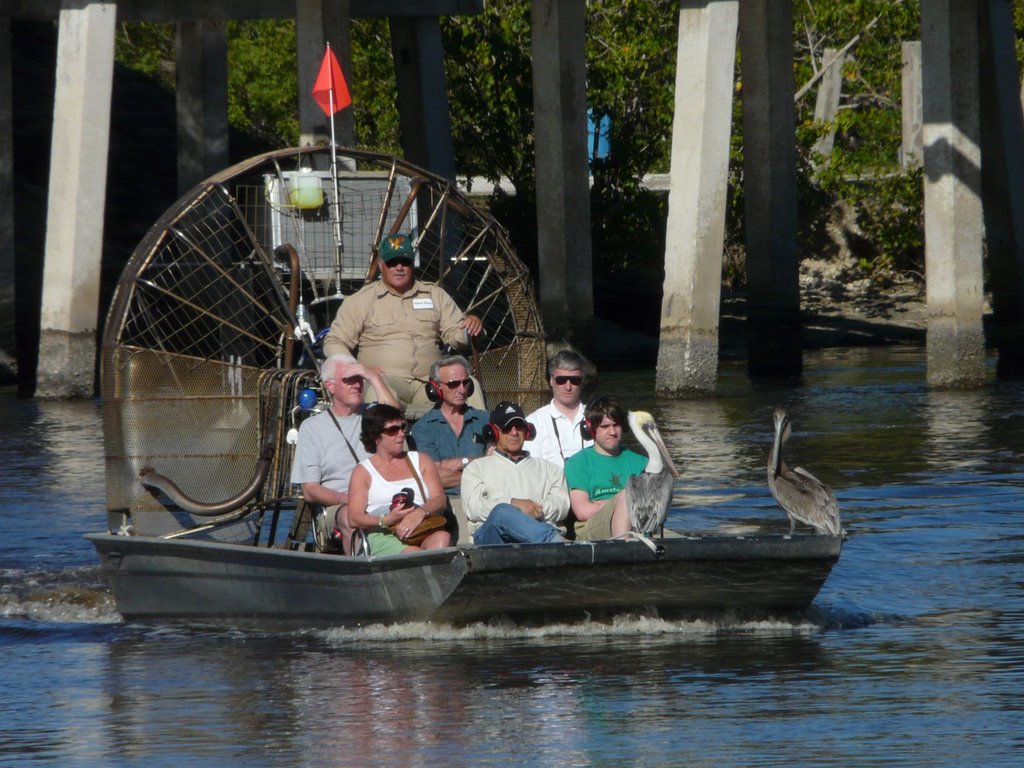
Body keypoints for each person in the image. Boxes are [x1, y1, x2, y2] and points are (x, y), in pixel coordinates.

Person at [321, 232, 485, 418]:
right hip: (386, 380)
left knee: (468, 385)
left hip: (430, 381)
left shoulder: (434, 295)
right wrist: (358, 368)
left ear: (412, 264)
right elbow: (334, 342)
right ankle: (393, 447)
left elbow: (458, 337)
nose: (399, 267)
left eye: (404, 262)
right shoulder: (361, 300)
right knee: (378, 391)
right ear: (381, 265)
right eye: (392, 262)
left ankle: (483, 445)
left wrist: (472, 327)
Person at [290, 354, 400, 554]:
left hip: (382, 496)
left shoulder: (372, 414)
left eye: (359, 379)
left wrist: (372, 377)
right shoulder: (313, 427)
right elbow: (310, 489)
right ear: (330, 386)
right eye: (349, 380)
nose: (357, 385)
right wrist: (346, 498)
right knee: (351, 517)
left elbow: (395, 419)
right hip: (340, 503)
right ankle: (362, 569)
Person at [346, 403, 451, 554]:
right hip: (384, 533)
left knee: (442, 539)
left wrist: (419, 513)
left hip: (421, 527)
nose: (401, 434)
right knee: (413, 553)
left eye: (403, 427)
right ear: (376, 436)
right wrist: (386, 520)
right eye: (393, 430)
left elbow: (439, 499)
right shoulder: (363, 472)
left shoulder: (421, 460)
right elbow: (354, 518)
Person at [461, 401, 569, 544]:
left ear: (528, 431)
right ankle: (557, 543)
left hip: (535, 538)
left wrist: (532, 508)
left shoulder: (551, 469)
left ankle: (548, 540)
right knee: (501, 512)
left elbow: (562, 506)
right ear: (493, 431)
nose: (514, 432)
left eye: (519, 427)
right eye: (506, 428)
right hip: (494, 540)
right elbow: (473, 508)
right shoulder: (476, 469)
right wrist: (513, 505)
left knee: (505, 511)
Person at [563, 396, 649, 540]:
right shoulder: (577, 462)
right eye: (605, 426)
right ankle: (622, 550)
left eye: (616, 425)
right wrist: (619, 504)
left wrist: (607, 504)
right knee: (626, 495)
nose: (612, 432)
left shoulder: (641, 462)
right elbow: (582, 511)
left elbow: (650, 509)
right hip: (590, 527)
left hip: (639, 526)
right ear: (591, 429)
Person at [524, 348, 594, 468]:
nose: (568, 387)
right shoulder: (534, 422)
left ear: (582, 382)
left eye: (574, 380)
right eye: (561, 380)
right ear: (551, 381)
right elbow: (532, 470)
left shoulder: (596, 417)